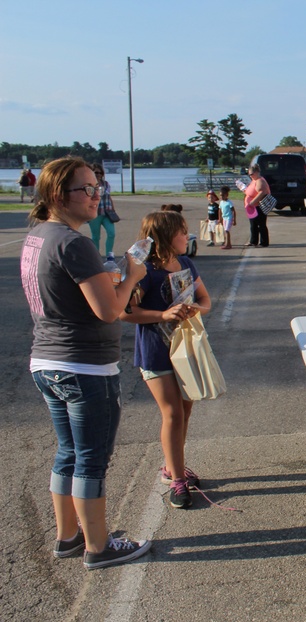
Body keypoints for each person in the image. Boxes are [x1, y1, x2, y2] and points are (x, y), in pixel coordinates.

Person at [20, 157, 152, 570]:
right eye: (87, 190)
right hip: (84, 366)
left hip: (47, 360)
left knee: (68, 453)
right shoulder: (73, 242)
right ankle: (98, 546)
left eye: (98, 188)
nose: (97, 197)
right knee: (92, 458)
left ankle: (69, 536)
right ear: (59, 196)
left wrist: (107, 275)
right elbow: (108, 311)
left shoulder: (39, 235)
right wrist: (131, 276)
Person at [121, 210, 213, 509]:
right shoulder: (144, 270)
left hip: (185, 351)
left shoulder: (185, 263)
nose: (188, 236)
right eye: (182, 232)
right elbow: (124, 311)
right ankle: (176, 480)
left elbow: (205, 301)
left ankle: (174, 465)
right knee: (172, 413)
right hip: (155, 352)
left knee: (185, 411)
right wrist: (162, 314)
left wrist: (192, 310)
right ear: (164, 236)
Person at [86, 165, 117, 261]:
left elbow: (109, 196)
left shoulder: (106, 184)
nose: (98, 174)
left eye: (100, 173)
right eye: (96, 172)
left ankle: (109, 256)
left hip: (107, 212)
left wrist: (113, 209)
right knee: (96, 236)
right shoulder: (89, 185)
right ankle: (96, 257)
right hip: (95, 213)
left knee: (111, 233)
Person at [244, 163, 271, 248]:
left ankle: (264, 242)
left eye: (251, 174)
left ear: (257, 172)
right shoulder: (254, 180)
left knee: (261, 224)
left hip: (259, 206)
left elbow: (262, 192)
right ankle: (253, 241)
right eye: (249, 174)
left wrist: (252, 202)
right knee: (253, 225)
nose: (250, 176)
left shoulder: (260, 180)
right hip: (253, 207)